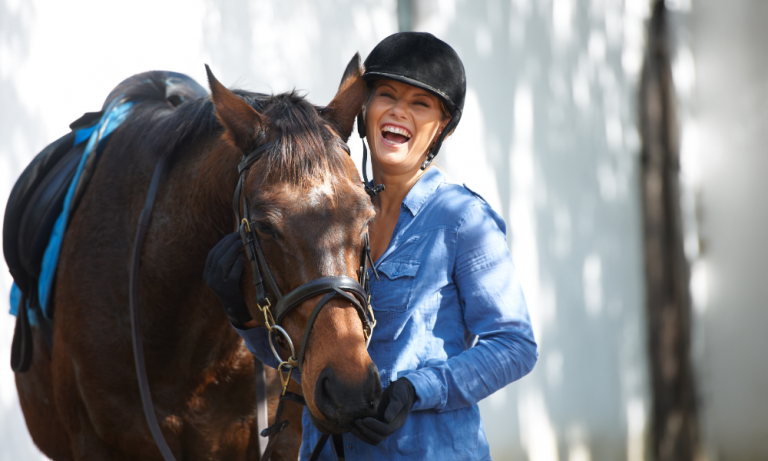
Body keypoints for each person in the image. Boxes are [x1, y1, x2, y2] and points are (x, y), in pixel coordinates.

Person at [204, 32, 537, 460]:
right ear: (363, 112)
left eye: (421, 103)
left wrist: (416, 390)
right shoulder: (324, 222)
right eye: (387, 96)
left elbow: (515, 346)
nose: (399, 111)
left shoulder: (462, 218)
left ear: (443, 127)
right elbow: (301, 361)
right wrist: (243, 318)